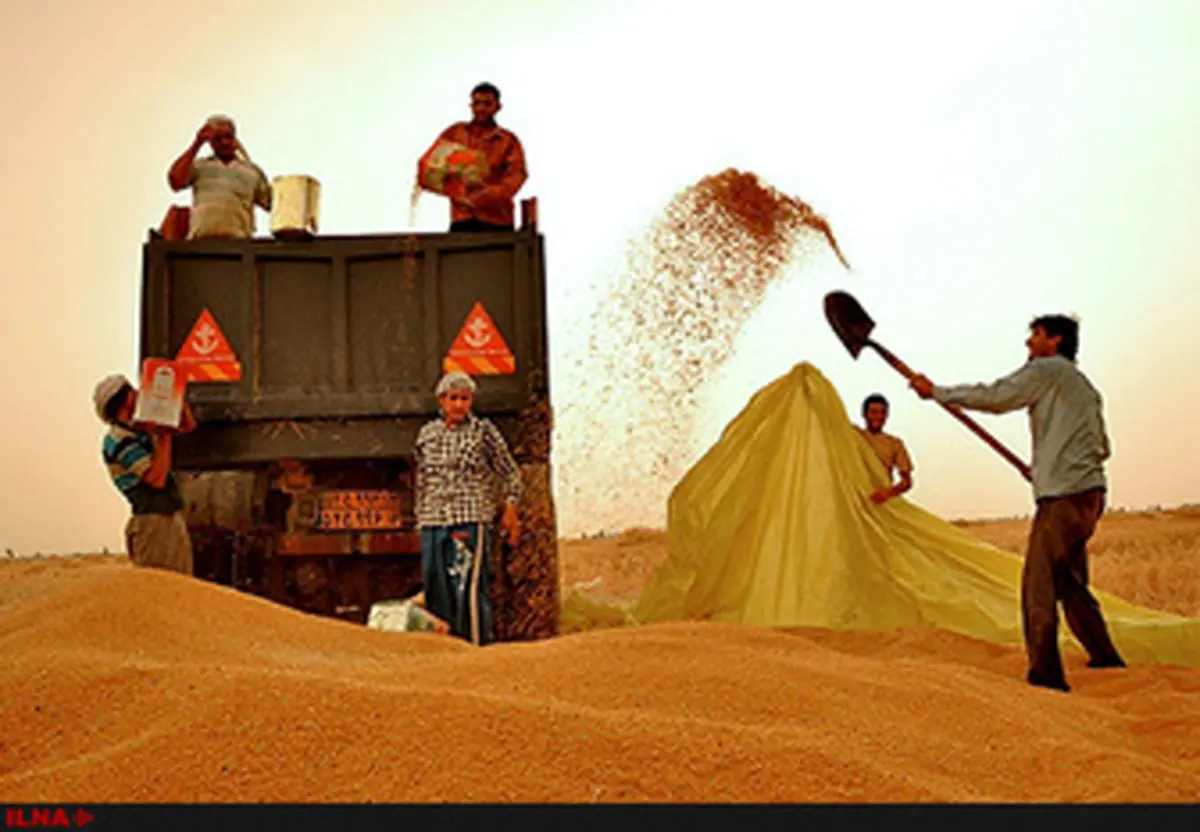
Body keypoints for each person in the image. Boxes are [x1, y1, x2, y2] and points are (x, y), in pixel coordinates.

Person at [909, 314, 1125, 693]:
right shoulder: (1085, 388)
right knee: (1070, 582)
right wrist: (1047, 467)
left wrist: (937, 392)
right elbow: (1102, 446)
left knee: (1038, 584)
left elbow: (997, 396)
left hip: (1061, 497)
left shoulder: (1046, 370)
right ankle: (1105, 656)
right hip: (1090, 495)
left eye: (1036, 336)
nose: (1029, 343)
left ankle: (1045, 674)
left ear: (1055, 341)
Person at [412, 371, 522, 645]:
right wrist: (420, 519)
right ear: (442, 400)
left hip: (471, 518)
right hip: (433, 520)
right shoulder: (427, 434)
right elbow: (422, 479)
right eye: (453, 398)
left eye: (464, 398)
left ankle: (475, 649)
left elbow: (510, 472)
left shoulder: (483, 432)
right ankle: (443, 650)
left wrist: (510, 508)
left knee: (468, 590)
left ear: (471, 400)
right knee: (436, 586)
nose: (459, 404)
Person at [93, 374, 198, 576]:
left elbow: (188, 426)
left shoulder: (139, 428)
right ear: (126, 399)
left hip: (167, 517)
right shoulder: (119, 440)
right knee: (164, 588)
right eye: (133, 391)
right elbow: (156, 479)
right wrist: (163, 433)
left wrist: (175, 405)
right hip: (153, 524)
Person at [422, 82, 528, 232]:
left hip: (497, 220)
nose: (481, 109)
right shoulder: (455, 134)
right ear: (471, 105)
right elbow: (433, 166)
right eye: (476, 103)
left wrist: (485, 196)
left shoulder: (507, 140)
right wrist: (454, 192)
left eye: (487, 104)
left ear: (498, 107)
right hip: (463, 219)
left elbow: (516, 176)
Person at [167, 114, 272, 240]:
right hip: (201, 243)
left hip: (240, 246)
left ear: (235, 138)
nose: (224, 142)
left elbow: (271, 204)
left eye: (228, 136)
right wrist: (196, 144)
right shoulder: (199, 166)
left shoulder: (251, 171)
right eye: (218, 138)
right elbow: (176, 182)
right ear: (209, 141)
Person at [855, 393, 914, 505]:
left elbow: (907, 482)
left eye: (882, 412)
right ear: (864, 414)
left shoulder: (894, 443)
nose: (878, 417)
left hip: (883, 501)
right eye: (874, 412)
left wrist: (888, 493)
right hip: (858, 500)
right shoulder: (854, 436)